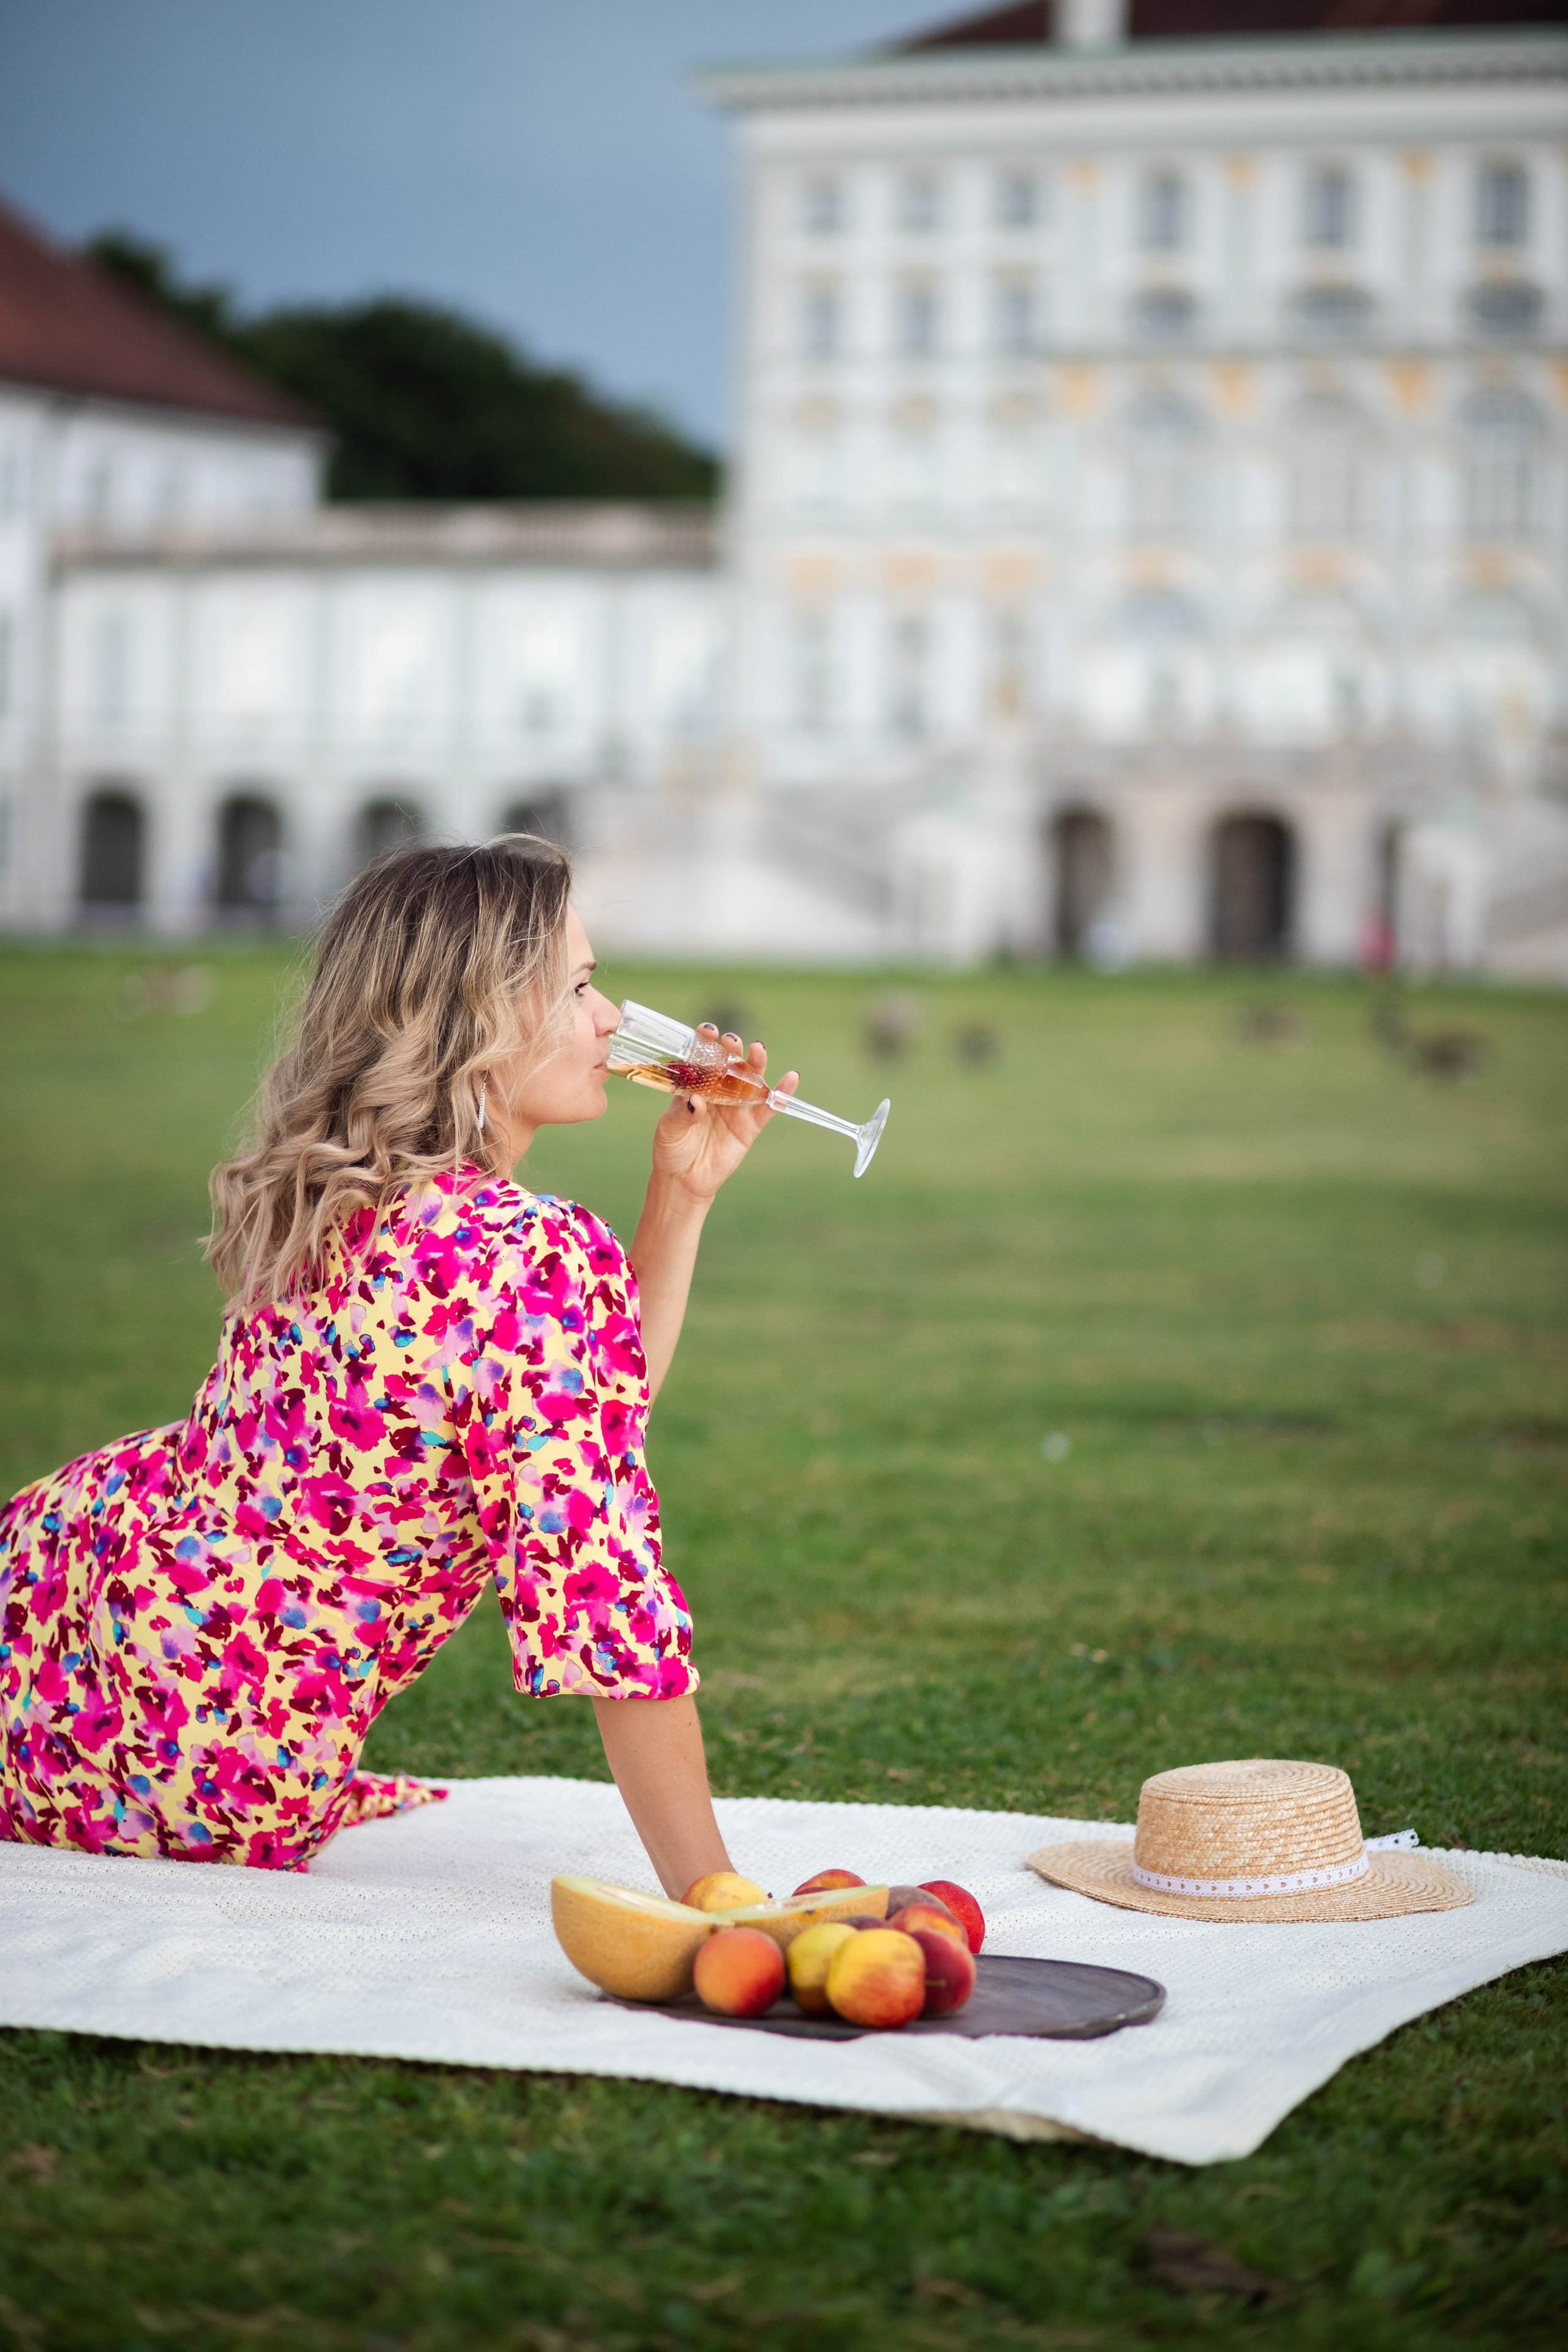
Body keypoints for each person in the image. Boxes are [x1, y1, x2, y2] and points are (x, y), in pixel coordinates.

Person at [0, 839, 792, 1894]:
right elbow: (609, 1594)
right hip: (208, 1761)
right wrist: (715, 1898)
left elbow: (577, 1414)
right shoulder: (526, 1256)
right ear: (477, 1017)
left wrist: (680, 1196)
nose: (611, 1019)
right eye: (581, 987)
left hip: (68, 1594)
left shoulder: (347, 1192)